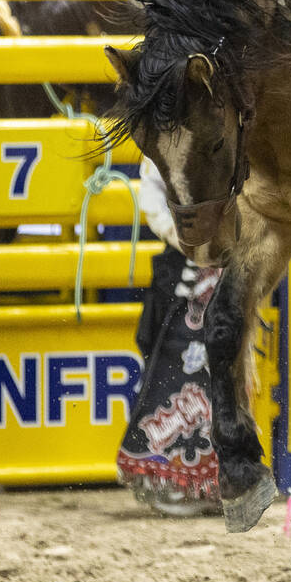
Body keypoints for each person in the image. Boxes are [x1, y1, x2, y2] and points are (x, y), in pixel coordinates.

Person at [116, 156, 223, 516]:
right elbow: (152, 195)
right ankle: (172, 479)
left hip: (222, 268)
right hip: (187, 269)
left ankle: (211, 478)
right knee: (172, 364)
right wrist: (189, 242)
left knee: (223, 371)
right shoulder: (166, 139)